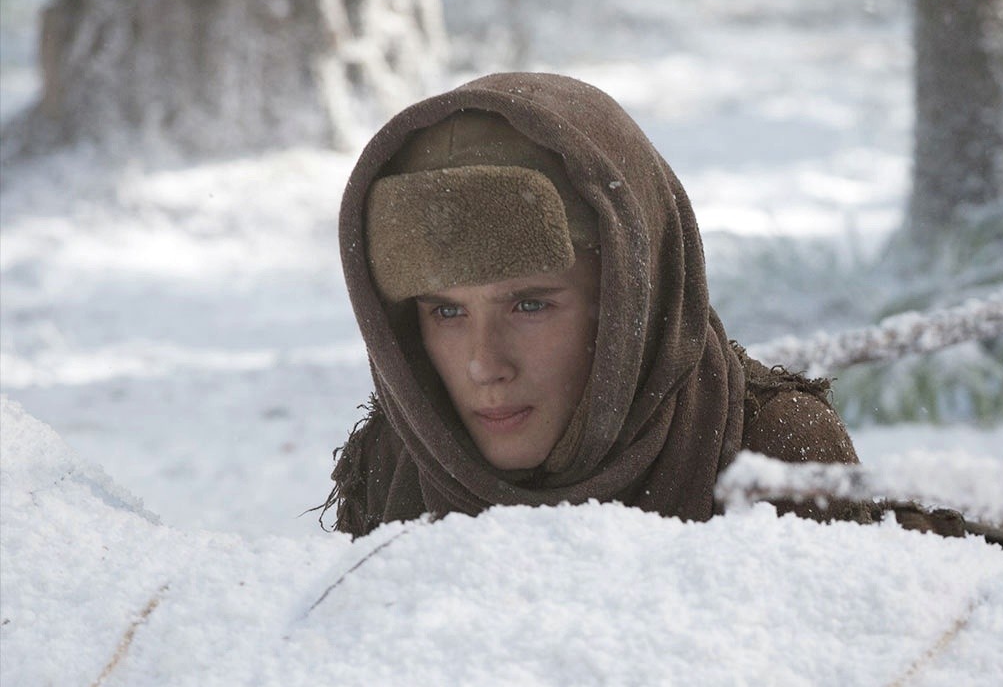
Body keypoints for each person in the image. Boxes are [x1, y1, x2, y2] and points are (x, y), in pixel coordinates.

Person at [323, 72, 858, 536]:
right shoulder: (399, 461)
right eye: (446, 311)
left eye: (529, 306)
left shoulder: (771, 451)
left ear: (630, 305)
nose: (484, 364)